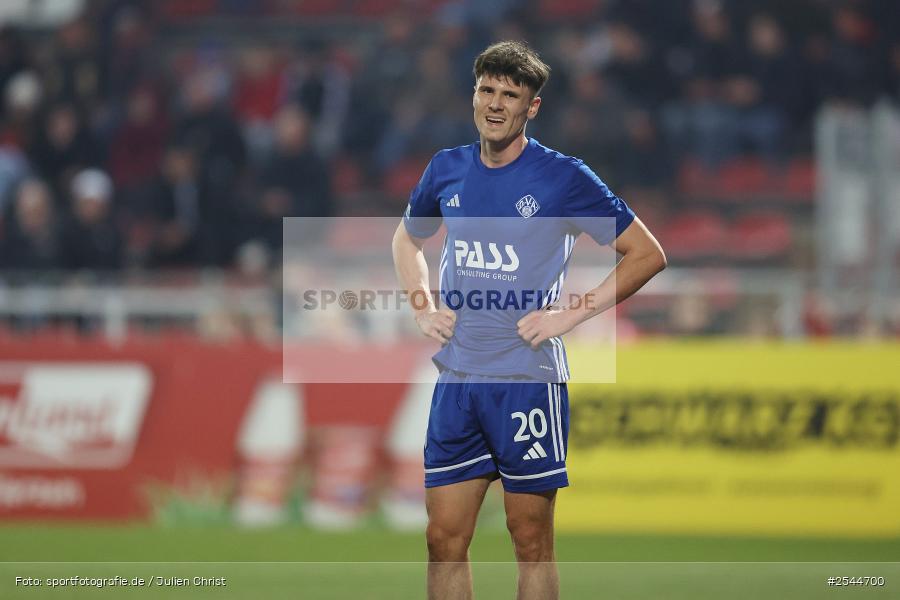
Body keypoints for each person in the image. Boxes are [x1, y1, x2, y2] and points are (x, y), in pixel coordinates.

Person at [391, 41, 666, 600]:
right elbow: (407, 238)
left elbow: (646, 253)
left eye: (510, 95)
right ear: (473, 93)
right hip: (458, 379)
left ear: (531, 108)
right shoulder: (446, 169)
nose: (495, 104)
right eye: (486, 90)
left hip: (526, 381)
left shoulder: (563, 177)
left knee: (530, 539)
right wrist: (421, 303)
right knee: (443, 539)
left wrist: (573, 313)